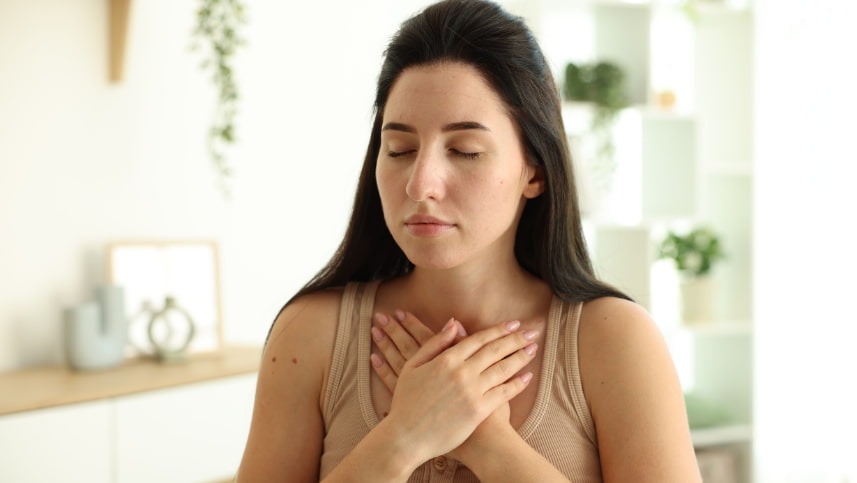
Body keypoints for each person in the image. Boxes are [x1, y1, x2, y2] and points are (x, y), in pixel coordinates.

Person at [236, 0, 701, 481]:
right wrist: (405, 435)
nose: (420, 184)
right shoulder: (311, 335)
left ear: (535, 171)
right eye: (400, 149)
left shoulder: (615, 341)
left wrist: (487, 441)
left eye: (465, 151)